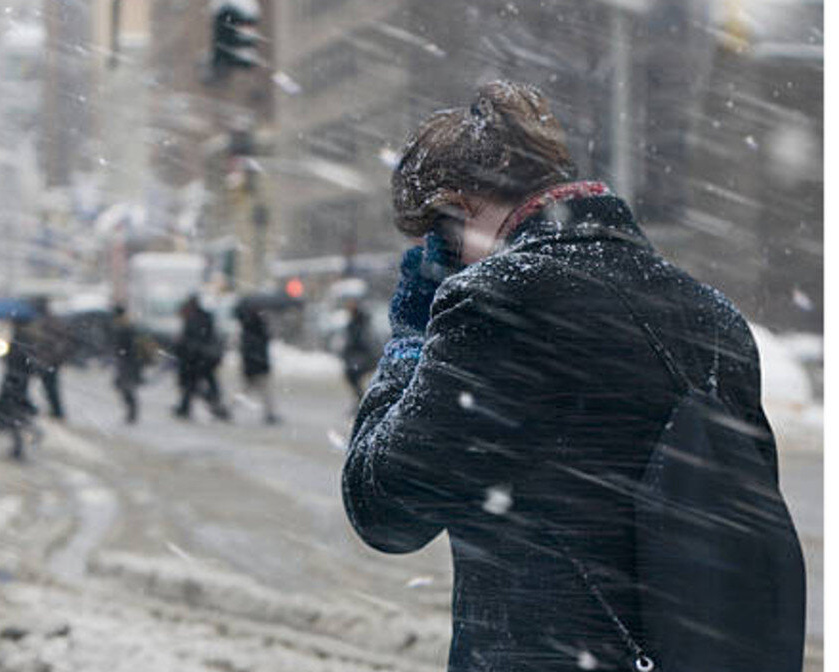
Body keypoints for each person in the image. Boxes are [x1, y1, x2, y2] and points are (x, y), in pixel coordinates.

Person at [342, 81, 800, 671]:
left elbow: (383, 507)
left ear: (461, 209)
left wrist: (409, 337)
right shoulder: (714, 316)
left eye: (439, 234)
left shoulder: (500, 302)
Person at [173, 295, 230, 421]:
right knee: (204, 384)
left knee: (192, 385)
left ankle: (187, 408)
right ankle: (215, 406)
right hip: (205, 357)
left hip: (195, 358)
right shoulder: (205, 316)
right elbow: (209, 335)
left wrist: (183, 348)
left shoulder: (192, 319)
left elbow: (190, 339)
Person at [0, 316, 40, 459]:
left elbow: (17, 359)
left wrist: (5, 357)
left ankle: (20, 445)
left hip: (15, 381)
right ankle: (20, 443)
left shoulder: (21, 339)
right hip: (18, 381)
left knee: (14, 413)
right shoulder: (27, 338)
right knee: (17, 412)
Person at [235, 303, 280, 424]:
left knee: (249, 390)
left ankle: (269, 413)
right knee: (260, 391)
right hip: (257, 366)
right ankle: (269, 413)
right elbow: (255, 349)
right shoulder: (255, 331)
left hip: (255, 365)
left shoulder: (249, 330)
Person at [29, 297, 69, 420]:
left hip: (47, 360)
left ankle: (56, 411)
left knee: (49, 387)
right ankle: (56, 410)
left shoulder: (43, 322)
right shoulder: (50, 321)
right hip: (47, 360)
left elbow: (59, 342)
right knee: (49, 387)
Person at [110, 305, 145, 424]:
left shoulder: (124, 328)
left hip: (128, 362)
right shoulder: (127, 326)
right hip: (128, 362)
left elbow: (128, 347)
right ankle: (131, 412)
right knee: (126, 388)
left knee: (126, 388)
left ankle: (132, 413)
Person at [340, 299, 375, 403]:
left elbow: (360, 340)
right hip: (356, 356)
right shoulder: (355, 322)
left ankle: (362, 400)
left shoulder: (359, 323)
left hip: (360, 356)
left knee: (353, 376)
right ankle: (361, 399)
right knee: (353, 377)